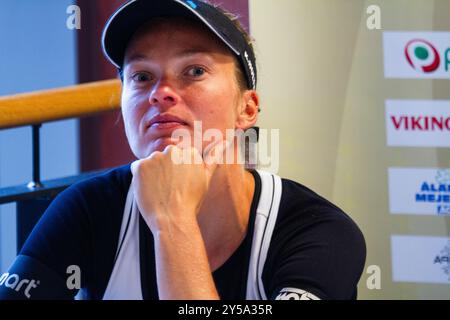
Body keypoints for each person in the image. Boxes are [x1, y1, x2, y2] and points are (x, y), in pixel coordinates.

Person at [0, 0, 366, 300]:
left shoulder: (316, 233)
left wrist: (172, 221)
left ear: (248, 108)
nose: (160, 92)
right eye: (142, 76)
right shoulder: (87, 210)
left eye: (193, 70)